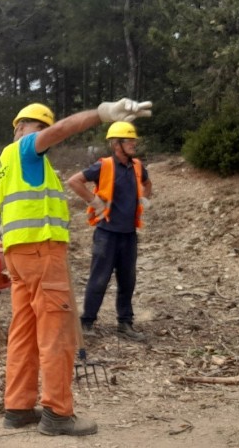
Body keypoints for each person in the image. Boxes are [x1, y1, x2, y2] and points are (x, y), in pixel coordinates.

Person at [0, 98, 152, 437]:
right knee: (56, 332)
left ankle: (17, 408)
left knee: (24, 331)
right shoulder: (24, 150)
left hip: (18, 256)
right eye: (40, 127)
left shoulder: (0, 169)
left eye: (44, 129)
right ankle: (58, 414)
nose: (46, 134)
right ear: (23, 128)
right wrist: (101, 114)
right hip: (42, 253)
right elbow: (63, 129)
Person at [66, 121, 152, 342]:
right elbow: (74, 181)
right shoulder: (103, 166)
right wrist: (94, 201)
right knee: (99, 279)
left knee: (127, 280)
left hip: (128, 234)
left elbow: (147, 183)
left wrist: (144, 198)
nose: (133, 143)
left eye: (134, 140)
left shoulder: (137, 167)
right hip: (106, 233)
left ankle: (125, 323)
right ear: (116, 144)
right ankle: (87, 322)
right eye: (129, 140)